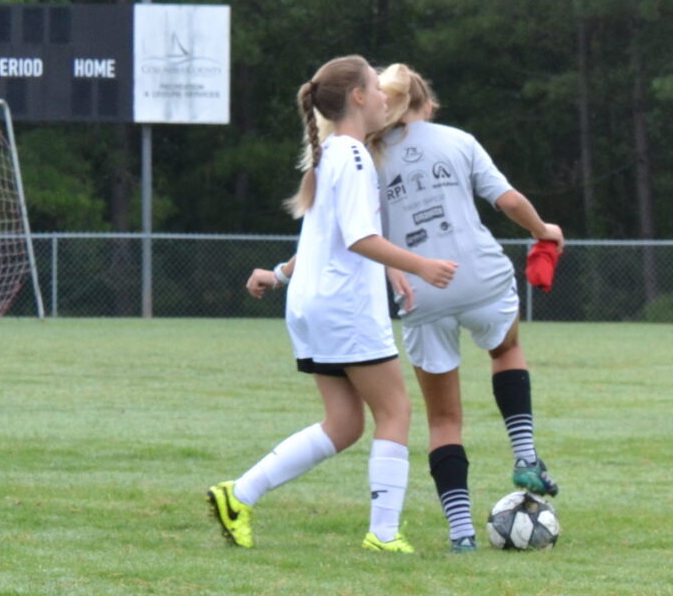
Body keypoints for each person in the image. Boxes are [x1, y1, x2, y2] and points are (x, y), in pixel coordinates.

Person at [207, 55, 457, 553]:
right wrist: (417, 265)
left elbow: (325, 241)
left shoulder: (334, 154)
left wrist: (277, 274)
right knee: (396, 410)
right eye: (375, 87)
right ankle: (383, 534)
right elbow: (359, 236)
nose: (385, 95)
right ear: (359, 98)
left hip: (311, 305)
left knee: (344, 425)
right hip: (345, 308)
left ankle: (239, 495)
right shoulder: (355, 156)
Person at [370, 64, 565, 550]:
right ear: (428, 103)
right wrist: (543, 232)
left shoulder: (368, 156)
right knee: (505, 350)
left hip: (420, 287)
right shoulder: (458, 140)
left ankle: (461, 535)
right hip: (478, 274)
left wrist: (395, 270)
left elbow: (364, 231)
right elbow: (508, 200)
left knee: (443, 420)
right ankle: (525, 456)